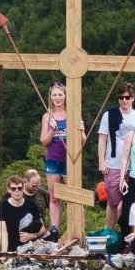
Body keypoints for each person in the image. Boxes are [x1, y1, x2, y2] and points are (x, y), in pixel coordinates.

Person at [40, 83, 85, 240]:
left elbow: (83, 141)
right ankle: (54, 231)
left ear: (65, 96)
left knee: (74, 196)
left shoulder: (73, 113)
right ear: (50, 96)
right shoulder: (48, 115)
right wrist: (52, 129)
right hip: (53, 160)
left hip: (70, 161)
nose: (57, 98)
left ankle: (79, 231)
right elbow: (44, 141)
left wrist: (81, 131)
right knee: (54, 197)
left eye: (60, 94)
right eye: (54, 95)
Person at [97, 83, 135, 231]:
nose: (124, 100)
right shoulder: (109, 115)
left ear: (133, 98)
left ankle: (127, 234)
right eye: (121, 97)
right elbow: (102, 139)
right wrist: (101, 162)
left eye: (127, 97)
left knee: (131, 203)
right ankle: (108, 232)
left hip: (133, 166)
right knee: (112, 202)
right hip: (113, 164)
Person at [0, 175, 44, 254]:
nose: (17, 191)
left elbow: (42, 228)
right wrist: (4, 253)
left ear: (23, 188)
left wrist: (32, 236)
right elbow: (3, 232)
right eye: (13, 189)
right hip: (11, 250)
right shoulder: (1, 206)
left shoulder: (31, 205)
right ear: (9, 190)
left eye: (19, 188)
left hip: (30, 250)